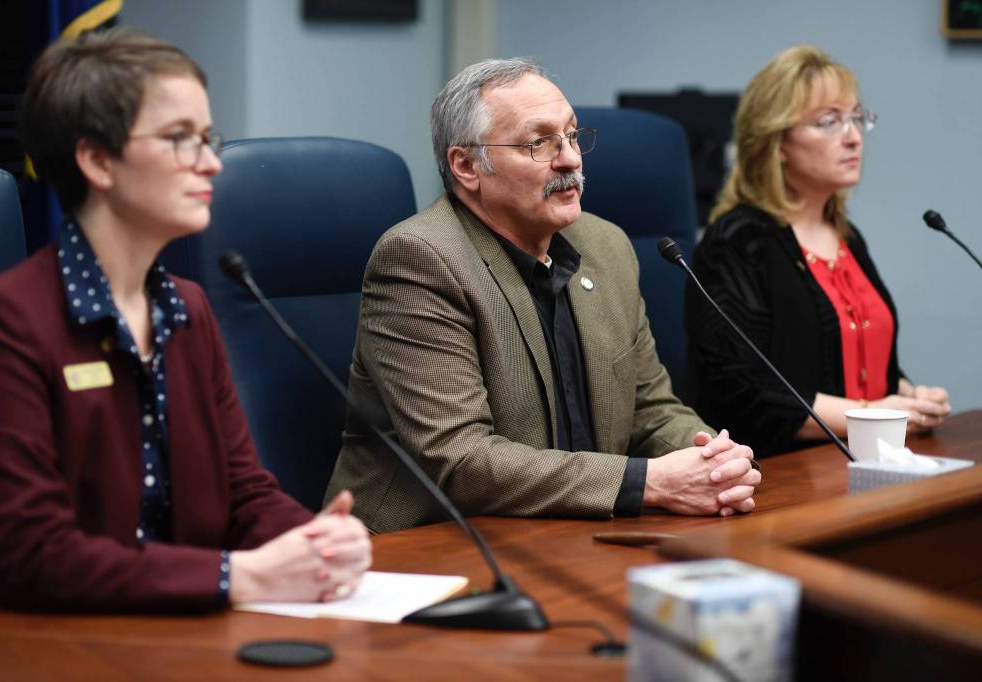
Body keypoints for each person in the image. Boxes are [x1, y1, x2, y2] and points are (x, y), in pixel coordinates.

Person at [0, 28, 370, 611]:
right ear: (97, 160)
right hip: (50, 643)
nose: (210, 164)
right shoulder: (6, 321)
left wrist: (313, 541)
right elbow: (33, 552)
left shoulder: (187, 307)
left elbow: (244, 494)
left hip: (181, 628)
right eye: (180, 139)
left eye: (208, 139)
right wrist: (239, 577)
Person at [325, 59, 761, 533]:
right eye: (539, 143)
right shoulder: (420, 259)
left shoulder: (608, 246)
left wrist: (713, 462)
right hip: (430, 548)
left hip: (568, 532)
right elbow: (460, 459)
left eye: (572, 136)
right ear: (467, 165)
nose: (570, 159)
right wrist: (648, 481)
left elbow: (650, 409)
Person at [684, 45, 951, 457]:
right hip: (780, 476)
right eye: (829, 122)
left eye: (857, 118)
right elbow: (744, 389)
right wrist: (875, 414)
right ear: (777, 143)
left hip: (869, 459)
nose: (853, 137)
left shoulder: (848, 237)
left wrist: (912, 398)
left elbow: (852, 357)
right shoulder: (736, 243)